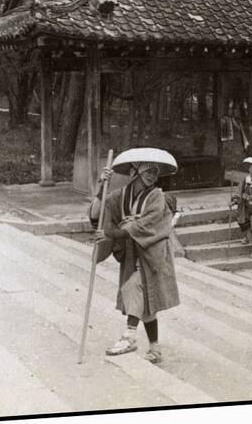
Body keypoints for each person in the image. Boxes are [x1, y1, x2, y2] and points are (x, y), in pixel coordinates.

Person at [89, 147, 180, 364]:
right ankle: (155, 348)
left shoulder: (157, 196)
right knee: (144, 301)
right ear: (134, 171)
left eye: (155, 171)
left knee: (135, 288)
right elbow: (97, 213)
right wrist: (103, 186)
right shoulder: (120, 196)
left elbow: (147, 224)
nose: (152, 174)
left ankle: (129, 336)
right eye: (148, 169)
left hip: (152, 252)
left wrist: (114, 232)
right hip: (131, 252)